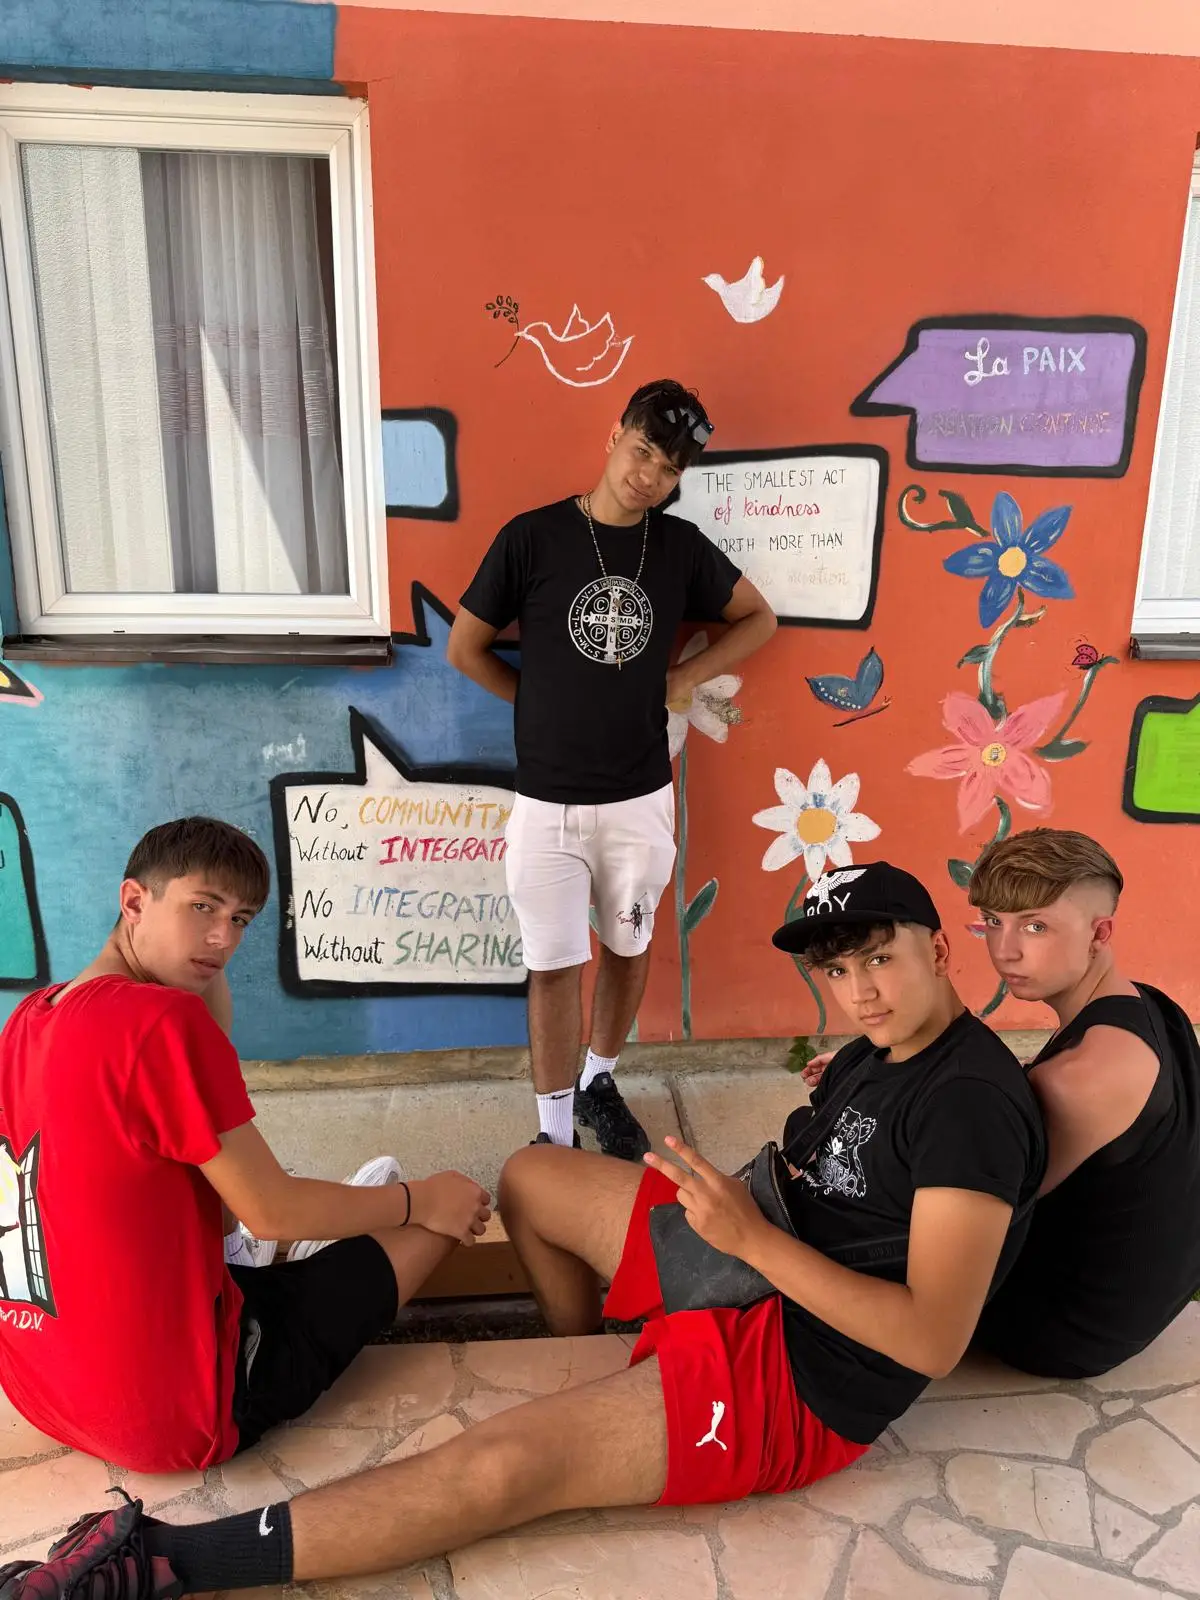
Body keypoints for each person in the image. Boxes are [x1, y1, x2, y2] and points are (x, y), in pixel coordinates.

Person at [2, 862, 1046, 1600]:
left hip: (806, 1369)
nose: (859, 991)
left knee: (504, 1463)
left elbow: (929, 1340)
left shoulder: (968, 1107)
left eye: (880, 960)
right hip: (748, 1260)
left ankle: (166, 1562)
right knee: (531, 1176)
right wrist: (747, 1228)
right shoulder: (879, 1048)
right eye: (839, 971)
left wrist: (754, 1242)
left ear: (939, 949)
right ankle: (599, 1360)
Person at [0, 817, 491, 1474]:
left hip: (41, 1390)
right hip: (169, 1418)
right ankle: (317, 1251)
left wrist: (193, 960)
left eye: (241, 919)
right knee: (448, 1206)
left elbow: (200, 1084)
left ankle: (277, 1261)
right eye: (203, 907)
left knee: (221, 1197)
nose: (223, 939)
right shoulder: (160, 1022)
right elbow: (270, 1210)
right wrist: (420, 1200)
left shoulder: (30, 1017)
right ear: (134, 901)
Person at [448, 379, 776, 1158]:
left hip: (639, 799)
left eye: (668, 468)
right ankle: (554, 1132)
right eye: (642, 451)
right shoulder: (532, 538)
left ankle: (600, 1080)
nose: (649, 476)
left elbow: (758, 618)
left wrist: (683, 677)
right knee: (554, 964)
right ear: (614, 436)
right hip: (547, 802)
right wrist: (534, 701)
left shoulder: (680, 548)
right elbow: (465, 648)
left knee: (629, 947)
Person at [966, 828, 1200, 1377]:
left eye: (1036, 926)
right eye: (993, 922)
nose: (1005, 950)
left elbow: (974, 1213)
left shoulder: (1083, 1075)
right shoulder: (1145, 1003)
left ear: (1100, 932)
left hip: (1066, 1328)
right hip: (1138, 1298)